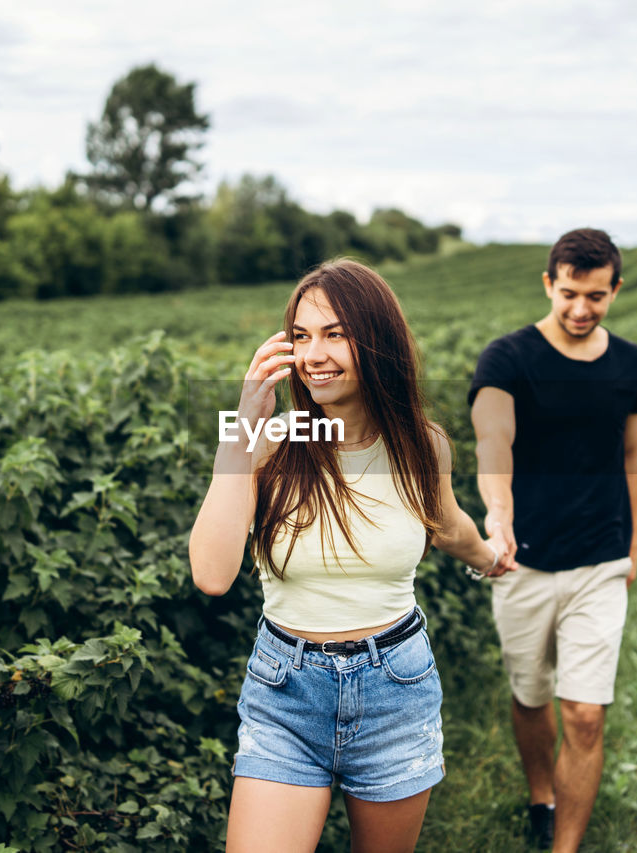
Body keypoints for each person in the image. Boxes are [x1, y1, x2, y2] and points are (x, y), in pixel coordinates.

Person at [190, 259, 509, 853]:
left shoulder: (421, 444)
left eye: (335, 334)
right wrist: (238, 439)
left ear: (376, 341)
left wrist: (489, 557)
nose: (314, 355)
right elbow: (211, 575)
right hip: (285, 690)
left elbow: (447, 524)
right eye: (301, 336)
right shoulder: (271, 442)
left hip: (396, 684)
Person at [469, 228, 637, 852]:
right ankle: (540, 794)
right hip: (524, 563)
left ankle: (563, 847)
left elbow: (632, 454)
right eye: (569, 293)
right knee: (530, 696)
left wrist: (634, 545)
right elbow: (494, 438)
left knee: (585, 713)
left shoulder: (631, 364)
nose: (580, 308)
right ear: (549, 284)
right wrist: (499, 512)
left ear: (615, 290)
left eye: (596, 296)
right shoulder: (507, 358)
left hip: (601, 559)